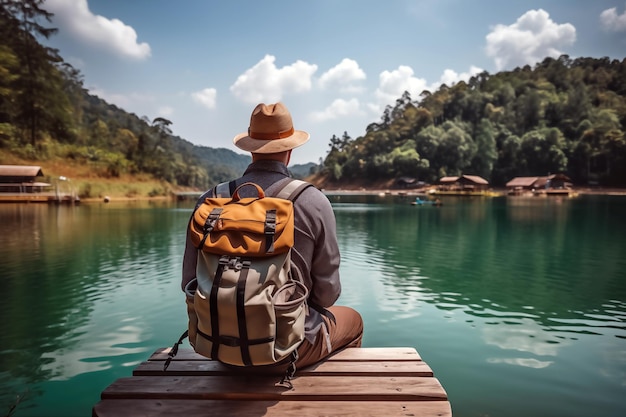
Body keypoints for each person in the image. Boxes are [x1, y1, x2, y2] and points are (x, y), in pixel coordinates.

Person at [181, 102, 363, 369]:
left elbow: (189, 282)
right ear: (289, 150)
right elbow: (327, 295)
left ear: (250, 149)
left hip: (217, 346)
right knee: (353, 320)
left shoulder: (210, 201)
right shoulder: (312, 200)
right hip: (286, 350)